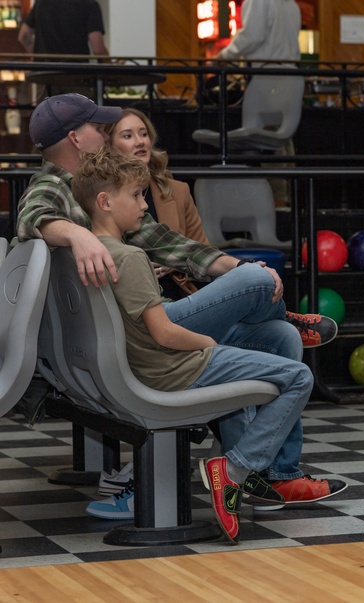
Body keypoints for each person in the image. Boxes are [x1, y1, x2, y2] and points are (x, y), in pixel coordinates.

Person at [17, 93, 340, 520]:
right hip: (144, 342)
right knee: (255, 281)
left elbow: (171, 245)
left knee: (278, 336)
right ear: (76, 138)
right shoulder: (56, 186)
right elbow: (29, 216)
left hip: (127, 337)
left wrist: (232, 266)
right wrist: (78, 236)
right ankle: (274, 312)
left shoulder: (103, 189)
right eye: (102, 127)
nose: (110, 133)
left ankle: (263, 472)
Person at [71, 147, 346, 542]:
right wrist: (211, 344)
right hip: (173, 366)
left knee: (278, 340)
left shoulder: (88, 255)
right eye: (136, 195)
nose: (144, 204)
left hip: (145, 363)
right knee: (299, 376)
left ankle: (242, 472)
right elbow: (164, 334)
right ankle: (233, 472)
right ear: (104, 202)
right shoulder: (129, 258)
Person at [105, 108, 209, 300]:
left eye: (144, 134)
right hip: (128, 305)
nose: (140, 141)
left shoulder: (178, 191)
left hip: (179, 297)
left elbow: (205, 254)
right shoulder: (101, 196)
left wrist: (175, 262)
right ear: (109, 146)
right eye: (128, 136)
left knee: (272, 324)